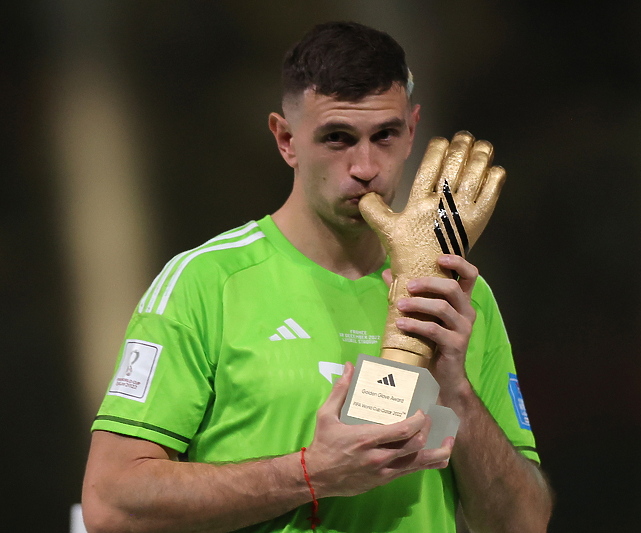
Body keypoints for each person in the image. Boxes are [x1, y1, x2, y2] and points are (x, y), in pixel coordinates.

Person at [81, 21, 552, 533]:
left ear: (412, 131)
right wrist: (311, 474)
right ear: (286, 139)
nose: (366, 167)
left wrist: (455, 388)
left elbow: (522, 523)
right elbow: (112, 504)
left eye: (385, 136)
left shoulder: (455, 295)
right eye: (337, 138)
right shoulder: (208, 281)